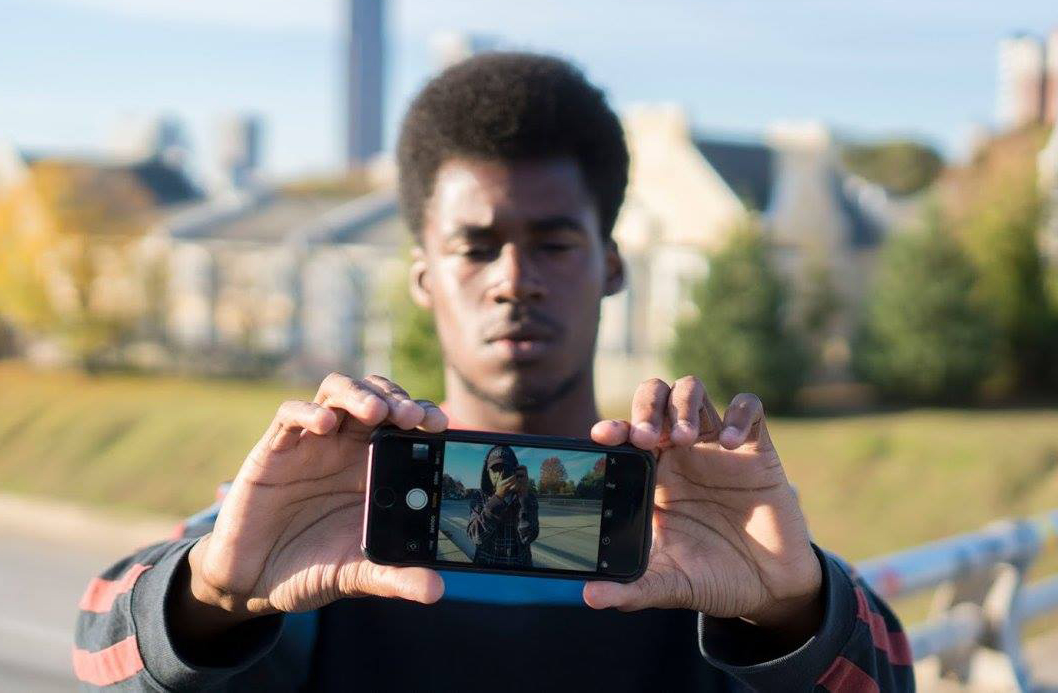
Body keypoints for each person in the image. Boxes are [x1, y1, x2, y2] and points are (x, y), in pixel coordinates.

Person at [73, 53, 914, 691]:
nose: (514, 278)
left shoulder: (692, 530)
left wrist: (794, 611)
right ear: (421, 275)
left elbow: (889, 668)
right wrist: (211, 596)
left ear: (612, 264)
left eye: (553, 242)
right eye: (476, 247)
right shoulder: (331, 505)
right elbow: (98, 643)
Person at [466, 445, 539, 568]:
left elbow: (529, 537)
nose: (501, 474)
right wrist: (498, 498)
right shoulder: (479, 496)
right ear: (487, 473)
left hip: (520, 569)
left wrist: (523, 497)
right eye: (495, 469)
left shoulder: (526, 496)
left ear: (515, 471)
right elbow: (476, 537)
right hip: (486, 568)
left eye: (506, 468)